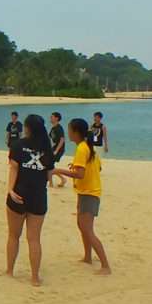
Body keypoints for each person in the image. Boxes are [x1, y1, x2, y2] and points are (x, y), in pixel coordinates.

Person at [0, 114, 54, 286]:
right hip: (38, 196)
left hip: (19, 194)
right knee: (34, 239)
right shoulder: (47, 148)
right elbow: (48, 175)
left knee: (13, 236)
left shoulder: (18, 145)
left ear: (28, 128)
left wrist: (10, 190)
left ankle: (9, 270)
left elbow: (13, 169)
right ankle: (35, 278)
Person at [55, 118, 111, 276]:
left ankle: (105, 266)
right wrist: (76, 168)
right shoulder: (87, 147)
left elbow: (80, 174)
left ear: (76, 132)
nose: (68, 133)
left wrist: (57, 171)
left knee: (87, 229)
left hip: (90, 194)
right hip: (86, 192)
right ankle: (87, 257)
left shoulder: (82, 148)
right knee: (82, 226)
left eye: (69, 130)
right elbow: (97, 168)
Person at [49, 112, 67, 188]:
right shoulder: (53, 128)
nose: (50, 118)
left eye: (52, 116)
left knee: (49, 166)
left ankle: (51, 183)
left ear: (56, 118)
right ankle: (62, 179)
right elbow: (49, 138)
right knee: (49, 165)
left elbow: (62, 139)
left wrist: (56, 150)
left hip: (59, 149)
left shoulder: (59, 128)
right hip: (53, 148)